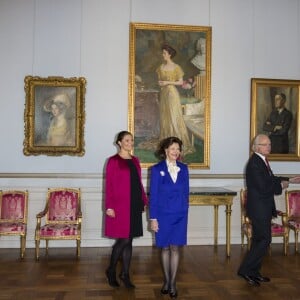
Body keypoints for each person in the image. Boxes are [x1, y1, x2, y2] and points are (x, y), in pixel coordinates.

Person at [237, 134, 300, 286]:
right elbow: (264, 187)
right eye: (265, 144)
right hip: (259, 209)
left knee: (260, 240)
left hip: (262, 207)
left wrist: (289, 179)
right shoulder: (254, 163)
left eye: (269, 144)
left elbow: (269, 179)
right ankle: (245, 270)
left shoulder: (261, 160)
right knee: (263, 240)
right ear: (256, 147)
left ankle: (254, 271)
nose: (269, 147)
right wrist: (281, 186)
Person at [104, 131, 148, 288]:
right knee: (123, 239)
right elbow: (109, 185)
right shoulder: (113, 161)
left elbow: (138, 182)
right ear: (119, 143)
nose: (130, 143)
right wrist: (109, 206)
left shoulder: (135, 160)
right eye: (127, 140)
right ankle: (111, 270)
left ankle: (125, 274)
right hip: (120, 205)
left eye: (132, 140)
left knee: (130, 240)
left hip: (134, 203)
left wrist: (143, 199)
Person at [149, 136, 189, 298]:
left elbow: (186, 192)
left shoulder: (184, 168)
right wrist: (153, 218)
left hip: (180, 215)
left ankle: (172, 283)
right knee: (165, 247)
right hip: (163, 215)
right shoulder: (157, 169)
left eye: (178, 149)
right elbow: (154, 196)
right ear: (165, 150)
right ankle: (166, 280)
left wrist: (185, 208)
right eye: (172, 148)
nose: (175, 152)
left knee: (176, 247)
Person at [156, 44, 195, 156]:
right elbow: (160, 81)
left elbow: (180, 82)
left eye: (164, 53)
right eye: (162, 52)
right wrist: (161, 83)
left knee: (173, 116)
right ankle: (167, 143)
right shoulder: (160, 67)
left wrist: (168, 82)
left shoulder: (176, 67)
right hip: (163, 94)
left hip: (172, 93)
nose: (162, 55)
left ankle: (176, 142)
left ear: (169, 55)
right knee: (165, 117)